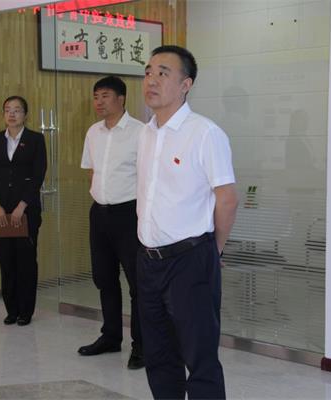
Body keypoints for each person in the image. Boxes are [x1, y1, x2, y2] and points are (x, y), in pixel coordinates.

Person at [137, 45, 239, 399]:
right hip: (148, 261)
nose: (151, 80)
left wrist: (214, 250)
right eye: (148, 72)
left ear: (186, 84)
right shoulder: (145, 133)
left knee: (200, 358)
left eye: (162, 73)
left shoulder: (205, 133)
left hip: (190, 260)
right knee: (159, 356)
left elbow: (227, 199)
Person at [78, 76, 145, 370]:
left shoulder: (140, 132)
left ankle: (142, 345)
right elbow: (91, 171)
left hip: (129, 214)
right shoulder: (93, 132)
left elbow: (148, 178)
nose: (99, 102)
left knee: (137, 284)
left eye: (105, 96)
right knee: (104, 278)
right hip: (100, 214)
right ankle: (110, 336)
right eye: (96, 97)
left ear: (121, 98)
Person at [0, 96, 47, 326]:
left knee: (26, 262)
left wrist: (22, 206)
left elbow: (38, 176)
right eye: (8, 110)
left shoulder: (35, 140)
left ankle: (25, 311)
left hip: (26, 212)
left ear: (25, 115)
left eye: (17, 110)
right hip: (0, 211)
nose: (12, 114)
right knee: (6, 260)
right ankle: (11, 310)